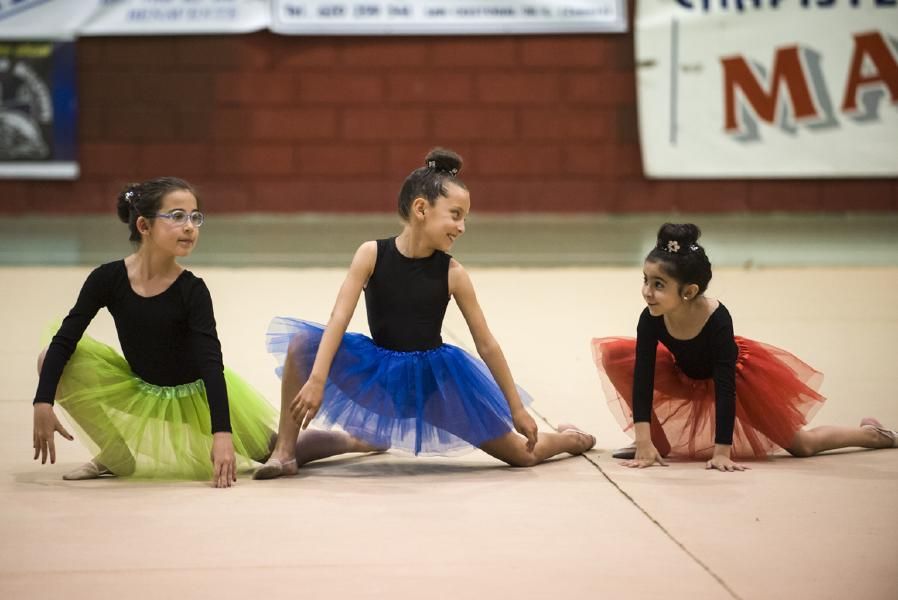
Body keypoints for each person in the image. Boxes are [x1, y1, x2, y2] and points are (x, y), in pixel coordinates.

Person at [254, 148, 594, 479]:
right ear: (421, 209)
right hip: (379, 371)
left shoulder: (454, 274)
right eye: (456, 215)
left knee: (522, 454)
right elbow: (338, 320)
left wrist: (517, 409)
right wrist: (316, 380)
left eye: (465, 218)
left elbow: (486, 344)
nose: (462, 227)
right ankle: (286, 452)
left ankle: (569, 438)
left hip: (434, 385)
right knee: (300, 345)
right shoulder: (371, 254)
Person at [32, 177, 277, 487]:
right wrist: (43, 401)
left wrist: (222, 433)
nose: (190, 226)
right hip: (138, 388)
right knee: (49, 360)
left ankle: (353, 442)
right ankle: (115, 455)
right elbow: (65, 339)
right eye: (177, 216)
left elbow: (211, 364)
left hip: (195, 398)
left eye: (195, 217)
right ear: (144, 226)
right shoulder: (107, 278)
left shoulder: (192, 290)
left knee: (281, 451)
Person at [591, 223, 897, 472]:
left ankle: (872, 434)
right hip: (683, 374)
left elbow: (725, 387)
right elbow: (643, 376)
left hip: (736, 379)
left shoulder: (717, 319)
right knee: (618, 357)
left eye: (659, 285)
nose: (647, 292)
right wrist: (643, 439)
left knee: (802, 446)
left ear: (689, 291)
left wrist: (722, 451)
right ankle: (656, 442)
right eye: (646, 280)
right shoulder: (651, 317)